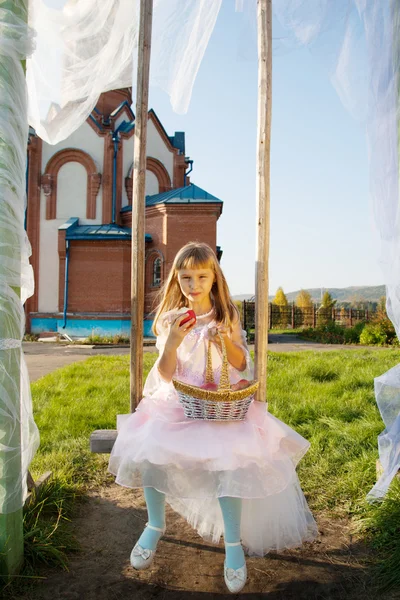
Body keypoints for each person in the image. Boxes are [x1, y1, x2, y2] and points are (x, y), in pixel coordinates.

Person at [108, 242, 318, 594]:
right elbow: (163, 373)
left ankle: (233, 545)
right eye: (186, 277)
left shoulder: (227, 315)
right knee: (150, 447)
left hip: (220, 401)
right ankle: (155, 524)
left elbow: (240, 364)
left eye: (202, 277)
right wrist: (173, 342)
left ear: (214, 278)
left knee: (229, 459)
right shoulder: (170, 318)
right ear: (177, 278)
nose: (194, 285)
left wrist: (225, 341)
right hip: (179, 401)